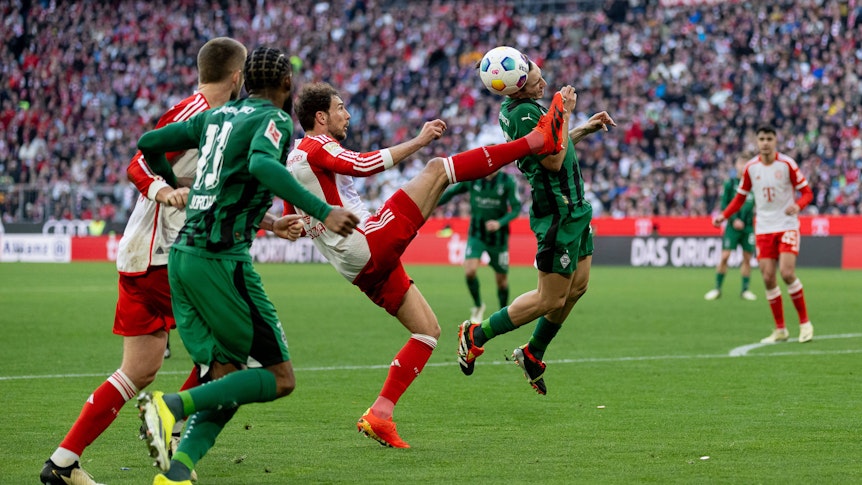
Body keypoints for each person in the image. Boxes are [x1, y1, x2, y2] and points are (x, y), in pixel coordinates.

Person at [284, 80, 571, 447]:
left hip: (355, 267)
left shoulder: (293, 158)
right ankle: (535, 140)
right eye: (340, 108)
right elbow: (363, 165)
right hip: (367, 242)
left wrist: (295, 225)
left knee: (427, 330)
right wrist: (419, 141)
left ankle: (380, 414)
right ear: (321, 116)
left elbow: (290, 213)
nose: (348, 114)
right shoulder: (316, 145)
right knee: (438, 169)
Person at [134, 46, 359, 485]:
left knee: (227, 377)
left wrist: (173, 181)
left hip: (183, 257)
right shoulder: (274, 119)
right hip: (220, 261)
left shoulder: (216, 117)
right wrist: (322, 209)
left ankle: (176, 474)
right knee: (280, 378)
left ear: (244, 81)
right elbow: (258, 163)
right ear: (287, 84)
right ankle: (169, 406)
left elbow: (149, 144)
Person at [40, 37, 249, 485]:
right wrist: (164, 190)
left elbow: (203, 186)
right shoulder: (195, 111)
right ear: (236, 77)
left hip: (143, 254)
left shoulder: (214, 117)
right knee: (233, 346)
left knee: (138, 370)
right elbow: (139, 162)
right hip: (164, 255)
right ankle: (170, 424)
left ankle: (62, 463)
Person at [458, 54, 616, 396]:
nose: (543, 83)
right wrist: (566, 110)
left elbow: (554, 143)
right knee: (550, 299)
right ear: (517, 88)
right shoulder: (523, 113)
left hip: (575, 208)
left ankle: (533, 353)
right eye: (536, 81)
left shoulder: (522, 107)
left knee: (577, 287)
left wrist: (582, 129)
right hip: (558, 211)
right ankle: (476, 334)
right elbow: (554, 160)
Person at [713, 125, 814, 344]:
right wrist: (724, 215)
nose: (765, 142)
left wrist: (798, 206)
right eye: (762, 139)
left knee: (787, 273)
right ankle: (780, 329)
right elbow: (740, 198)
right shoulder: (751, 168)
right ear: (757, 142)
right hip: (764, 228)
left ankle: (805, 323)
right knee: (768, 277)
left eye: (769, 138)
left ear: (775, 141)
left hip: (786, 225)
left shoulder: (787, 164)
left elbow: (807, 192)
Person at [437, 169, 523, 323]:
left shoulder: (507, 181)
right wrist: (431, 204)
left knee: (502, 280)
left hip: (498, 238)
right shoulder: (473, 178)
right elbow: (451, 193)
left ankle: (503, 314)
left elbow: (516, 209)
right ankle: (478, 306)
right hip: (476, 234)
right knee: (469, 271)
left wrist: (499, 223)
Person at [704, 155, 757, 301]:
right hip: (732, 227)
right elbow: (724, 205)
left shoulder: (754, 184)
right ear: (736, 165)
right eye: (741, 163)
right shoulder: (730, 183)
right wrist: (733, 220)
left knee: (747, 258)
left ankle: (745, 290)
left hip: (748, 227)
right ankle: (717, 288)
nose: (743, 166)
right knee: (725, 256)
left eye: (746, 163)